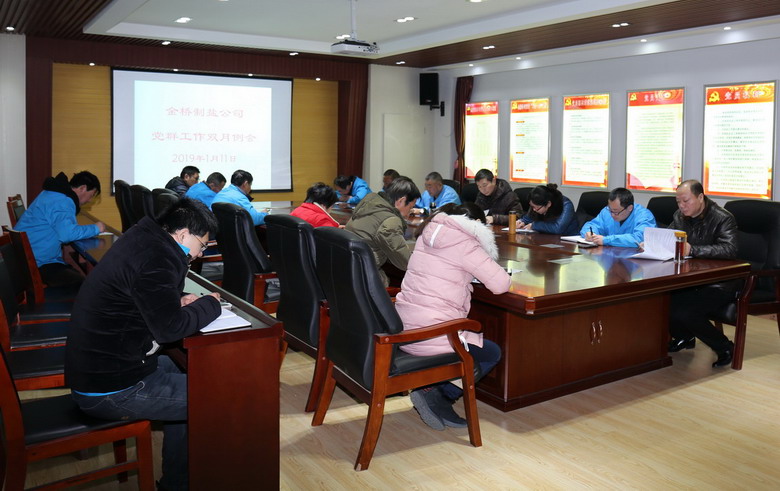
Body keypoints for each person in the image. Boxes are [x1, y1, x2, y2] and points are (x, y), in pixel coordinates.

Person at [65, 198, 221, 491]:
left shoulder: (143, 239)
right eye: (202, 245)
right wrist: (210, 305)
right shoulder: (158, 259)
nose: (200, 254)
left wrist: (176, 300)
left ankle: (177, 480)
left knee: (192, 372)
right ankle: (181, 483)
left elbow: (140, 293)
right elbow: (170, 329)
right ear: (183, 234)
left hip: (103, 368)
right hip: (111, 388)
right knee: (214, 396)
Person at [395, 203, 511, 430]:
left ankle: (432, 390)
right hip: (432, 334)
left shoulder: (427, 235)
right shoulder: (464, 242)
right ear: (476, 225)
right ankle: (437, 394)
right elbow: (501, 284)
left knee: (472, 340)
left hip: (404, 327)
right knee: (491, 352)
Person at [667, 180, 738, 367]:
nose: (681, 206)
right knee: (662, 301)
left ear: (700, 197)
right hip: (691, 279)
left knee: (687, 313)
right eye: (678, 202)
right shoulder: (679, 216)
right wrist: (652, 242)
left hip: (720, 282)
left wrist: (693, 250)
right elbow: (668, 237)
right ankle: (684, 337)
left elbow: (729, 249)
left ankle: (725, 347)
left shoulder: (723, 218)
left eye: (686, 201)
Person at [14, 171, 105, 287]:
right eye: (91, 195)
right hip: (36, 264)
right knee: (84, 285)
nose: (89, 200)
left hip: (28, 259)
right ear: (82, 188)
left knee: (77, 273)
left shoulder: (54, 194)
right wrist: (96, 228)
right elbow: (67, 235)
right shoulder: (63, 200)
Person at [345, 176, 420, 287]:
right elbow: (406, 263)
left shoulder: (368, 206)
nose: (410, 212)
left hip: (347, 269)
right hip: (362, 278)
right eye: (410, 207)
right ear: (401, 201)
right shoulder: (390, 220)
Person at [580, 187, 656, 247]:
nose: (612, 215)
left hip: (634, 259)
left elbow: (638, 239)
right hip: (610, 255)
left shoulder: (644, 216)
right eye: (610, 210)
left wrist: (606, 240)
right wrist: (589, 233)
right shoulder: (607, 211)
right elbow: (592, 225)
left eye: (616, 212)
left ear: (630, 208)